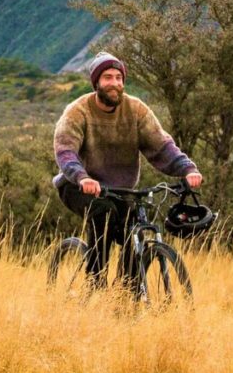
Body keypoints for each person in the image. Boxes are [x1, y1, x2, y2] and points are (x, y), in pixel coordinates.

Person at [53, 50, 203, 283]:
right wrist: (82, 177)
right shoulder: (78, 110)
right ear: (96, 83)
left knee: (136, 235)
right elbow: (65, 151)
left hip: (121, 191)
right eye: (107, 77)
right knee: (103, 213)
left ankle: (125, 297)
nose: (114, 83)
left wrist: (188, 169)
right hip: (77, 185)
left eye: (118, 77)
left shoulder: (136, 109)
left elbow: (162, 145)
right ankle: (96, 284)